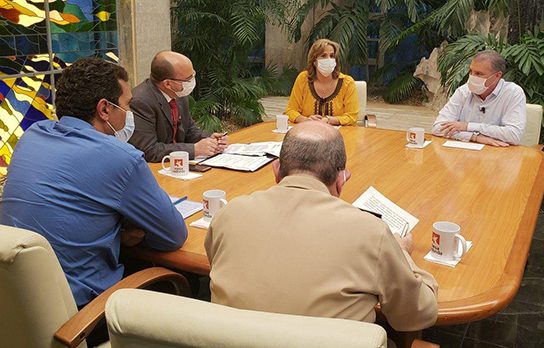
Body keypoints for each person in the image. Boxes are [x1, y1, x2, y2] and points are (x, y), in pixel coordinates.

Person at [205, 121, 438, 332]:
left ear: (276, 170)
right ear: (341, 179)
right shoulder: (370, 232)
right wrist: (401, 253)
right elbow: (416, 315)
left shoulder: (229, 214)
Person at [0, 57, 188, 308]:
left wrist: (115, 235)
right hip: (79, 313)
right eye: (127, 105)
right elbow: (173, 236)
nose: (130, 114)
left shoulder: (32, 136)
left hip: (14, 302)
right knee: (183, 282)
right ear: (104, 109)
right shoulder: (121, 158)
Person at [129, 51, 228, 162]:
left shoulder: (179, 94)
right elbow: (149, 150)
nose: (192, 82)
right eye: (187, 79)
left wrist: (209, 140)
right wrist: (194, 149)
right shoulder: (141, 102)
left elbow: (189, 131)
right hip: (157, 168)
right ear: (168, 84)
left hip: (181, 165)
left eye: (193, 75)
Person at [432, 50, 526, 146]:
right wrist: (475, 137)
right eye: (471, 72)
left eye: (479, 74)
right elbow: (438, 128)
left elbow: (514, 135)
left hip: (498, 154)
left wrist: (468, 126)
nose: (472, 77)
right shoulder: (463, 91)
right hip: (463, 153)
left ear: (497, 76)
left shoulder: (513, 93)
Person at [285, 39, 359, 126]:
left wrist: (328, 120)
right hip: (308, 132)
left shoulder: (347, 83)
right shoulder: (303, 79)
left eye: (332, 56)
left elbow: (352, 117)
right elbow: (290, 111)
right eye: (323, 56)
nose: (329, 59)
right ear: (314, 61)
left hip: (340, 135)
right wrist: (306, 120)